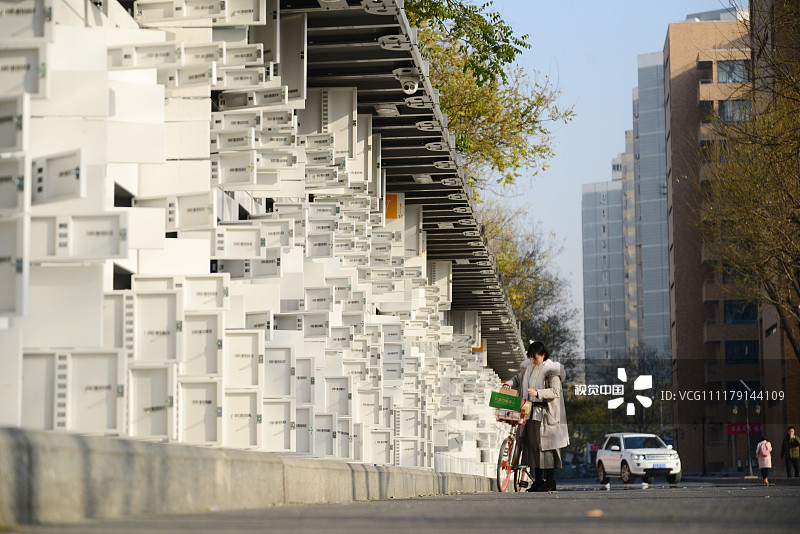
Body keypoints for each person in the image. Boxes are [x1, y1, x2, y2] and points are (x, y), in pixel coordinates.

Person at [501, 341, 569, 492]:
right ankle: (538, 481)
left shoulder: (552, 371)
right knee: (532, 447)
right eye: (531, 357)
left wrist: (538, 393)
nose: (533, 360)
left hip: (545, 415)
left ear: (543, 355)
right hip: (529, 413)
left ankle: (550, 481)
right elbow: (517, 379)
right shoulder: (528, 368)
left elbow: (555, 392)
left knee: (547, 448)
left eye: (535, 357)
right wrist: (509, 384)